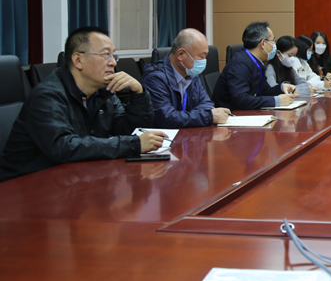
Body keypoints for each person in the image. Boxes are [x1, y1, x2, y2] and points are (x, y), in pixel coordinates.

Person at [0, 26, 161, 182]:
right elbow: (63, 147)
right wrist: (133, 145)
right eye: (106, 55)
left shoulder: (104, 93)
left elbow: (132, 131)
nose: (113, 63)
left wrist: (139, 92)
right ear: (78, 60)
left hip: (73, 179)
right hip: (24, 186)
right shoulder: (47, 96)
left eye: (114, 56)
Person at [142, 28, 230, 128]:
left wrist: (190, 117)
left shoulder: (191, 74)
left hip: (188, 133)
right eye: (201, 56)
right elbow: (167, 118)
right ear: (181, 54)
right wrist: (207, 116)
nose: (204, 61)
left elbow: (206, 104)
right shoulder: (155, 79)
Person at [211, 21, 297, 110]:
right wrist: (276, 101)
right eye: (273, 41)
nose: (275, 45)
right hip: (231, 114)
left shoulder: (256, 61)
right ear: (263, 43)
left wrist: (281, 87)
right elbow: (241, 99)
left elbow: (264, 91)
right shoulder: (240, 64)